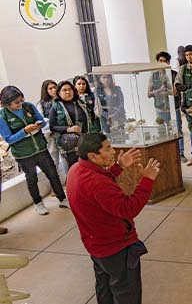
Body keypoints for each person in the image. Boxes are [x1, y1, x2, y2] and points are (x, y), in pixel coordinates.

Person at [67, 133, 160, 304]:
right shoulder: (96, 183)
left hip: (96, 245)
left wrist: (118, 167)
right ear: (92, 156)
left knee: (105, 289)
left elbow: (100, 189)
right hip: (115, 248)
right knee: (126, 294)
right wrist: (147, 180)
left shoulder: (76, 170)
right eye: (108, 148)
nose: (113, 152)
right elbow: (128, 208)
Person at [0, 86, 69, 215]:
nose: (20, 104)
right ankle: (38, 203)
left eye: (21, 100)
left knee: (52, 173)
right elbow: (9, 139)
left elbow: (42, 121)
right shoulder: (2, 116)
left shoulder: (29, 106)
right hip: (24, 154)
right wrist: (25, 131)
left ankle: (62, 198)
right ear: (7, 103)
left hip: (41, 148)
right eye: (16, 102)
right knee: (31, 179)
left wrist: (38, 125)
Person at [50, 80, 99, 168]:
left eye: (70, 89)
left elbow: (91, 116)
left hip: (86, 140)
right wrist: (69, 129)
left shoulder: (81, 102)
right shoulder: (56, 106)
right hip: (70, 145)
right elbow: (52, 127)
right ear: (59, 93)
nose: (68, 92)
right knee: (76, 168)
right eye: (64, 90)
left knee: (91, 166)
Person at [38, 79, 67, 183]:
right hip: (50, 135)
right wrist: (49, 128)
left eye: (55, 87)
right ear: (45, 90)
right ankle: (55, 185)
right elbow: (41, 119)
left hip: (63, 133)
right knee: (53, 159)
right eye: (50, 88)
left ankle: (69, 180)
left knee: (65, 157)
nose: (53, 90)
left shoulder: (62, 101)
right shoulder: (41, 104)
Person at [148, 54, 174, 123]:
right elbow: (148, 94)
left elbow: (175, 92)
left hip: (173, 109)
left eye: (165, 61)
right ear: (157, 62)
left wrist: (167, 91)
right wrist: (159, 90)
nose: (162, 63)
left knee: (175, 130)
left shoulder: (173, 74)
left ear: (168, 62)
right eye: (160, 61)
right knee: (162, 131)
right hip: (160, 109)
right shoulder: (153, 76)